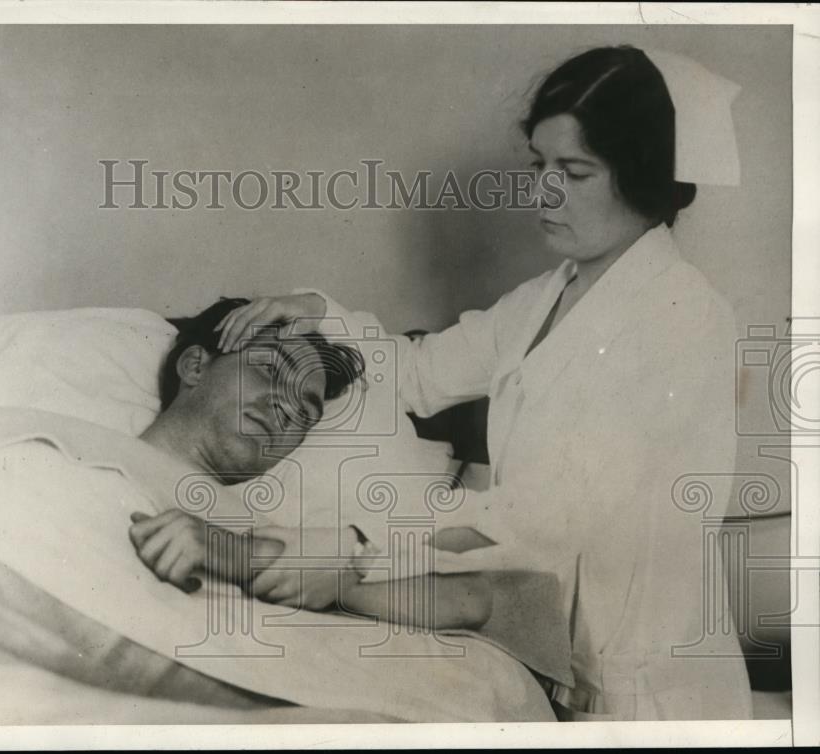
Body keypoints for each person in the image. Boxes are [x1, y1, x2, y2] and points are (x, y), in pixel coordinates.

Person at [201, 46, 754, 720]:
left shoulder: (685, 319)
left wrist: (356, 549)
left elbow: (545, 521)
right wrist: (323, 313)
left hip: (644, 690)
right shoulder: (548, 295)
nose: (543, 192)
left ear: (641, 174)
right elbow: (419, 374)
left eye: (574, 172)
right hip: (556, 652)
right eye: (540, 166)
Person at [130, 297, 496, 630]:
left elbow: (469, 600)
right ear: (194, 366)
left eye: (305, 411)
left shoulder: (267, 524)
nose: (287, 408)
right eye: (269, 371)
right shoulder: (83, 450)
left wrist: (243, 557)